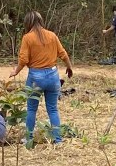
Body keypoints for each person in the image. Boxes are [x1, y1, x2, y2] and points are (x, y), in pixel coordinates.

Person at [9, 11, 74, 146]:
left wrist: (16, 71)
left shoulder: (27, 38)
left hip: (35, 77)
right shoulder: (52, 35)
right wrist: (69, 67)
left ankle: (29, 138)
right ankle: (58, 140)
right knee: (53, 109)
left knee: (32, 109)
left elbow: (24, 59)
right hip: (53, 76)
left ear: (28, 23)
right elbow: (63, 54)